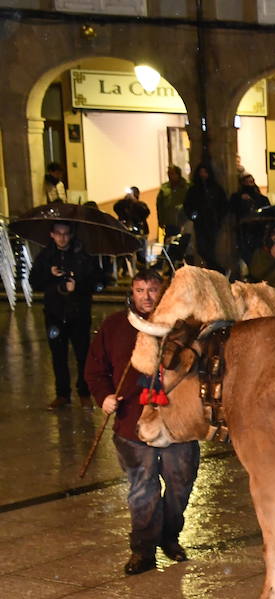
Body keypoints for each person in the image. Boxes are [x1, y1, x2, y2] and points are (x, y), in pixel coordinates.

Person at [84, 269, 200, 575]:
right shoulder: (115, 326)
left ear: (163, 291)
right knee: (142, 489)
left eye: (152, 289)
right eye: (140, 290)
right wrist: (105, 396)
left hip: (178, 422)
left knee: (180, 485)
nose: (146, 296)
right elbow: (94, 371)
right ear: (131, 293)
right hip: (132, 423)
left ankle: (169, 536)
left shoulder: (185, 326)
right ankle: (143, 549)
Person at [32, 220, 101, 409]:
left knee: (82, 355)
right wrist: (49, 274)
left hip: (78, 314)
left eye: (65, 233)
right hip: (54, 314)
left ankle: (84, 392)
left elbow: (98, 282)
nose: (62, 237)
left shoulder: (83, 255)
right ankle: (62, 394)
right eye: (58, 233)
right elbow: (33, 282)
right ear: (52, 235)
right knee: (58, 355)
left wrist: (77, 286)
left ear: (71, 235)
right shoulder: (45, 256)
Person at [184, 163, 228, 272]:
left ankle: (214, 269)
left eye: (205, 172)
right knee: (202, 248)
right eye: (201, 172)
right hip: (200, 223)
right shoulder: (194, 189)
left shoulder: (215, 188)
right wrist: (193, 216)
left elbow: (223, 204)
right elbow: (188, 204)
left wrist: (219, 217)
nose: (203, 175)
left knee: (210, 247)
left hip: (213, 222)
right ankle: (217, 269)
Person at [155, 165, 189, 243]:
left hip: (183, 222)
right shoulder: (164, 188)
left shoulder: (185, 187)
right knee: (168, 243)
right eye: (169, 174)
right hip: (169, 222)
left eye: (173, 174)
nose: (170, 176)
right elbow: (159, 205)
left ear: (178, 174)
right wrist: (160, 220)